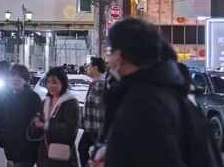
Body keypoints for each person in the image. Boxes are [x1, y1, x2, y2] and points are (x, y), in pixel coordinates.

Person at [91, 18, 190, 167]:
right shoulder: (169, 92)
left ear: (120, 55)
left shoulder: (142, 104)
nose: (108, 60)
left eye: (109, 51)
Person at [32, 67, 79, 167]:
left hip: (62, 157)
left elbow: (70, 130)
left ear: (63, 83)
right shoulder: (45, 102)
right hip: (44, 156)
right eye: (48, 82)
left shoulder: (70, 102)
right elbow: (36, 131)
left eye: (54, 82)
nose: (50, 85)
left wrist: (46, 126)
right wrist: (35, 124)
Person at [0, 65, 41, 167]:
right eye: (13, 76)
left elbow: (36, 125)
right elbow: (1, 119)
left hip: (27, 148)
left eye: (19, 76)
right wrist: (2, 139)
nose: (15, 79)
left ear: (25, 80)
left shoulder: (33, 98)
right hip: (9, 148)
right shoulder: (5, 96)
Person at [79, 57, 106, 167]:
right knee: (82, 149)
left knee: (95, 155)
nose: (87, 68)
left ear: (95, 68)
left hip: (97, 128)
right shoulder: (95, 82)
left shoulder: (101, 84)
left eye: (89, 66)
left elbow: (102, 107)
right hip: (90, 127)